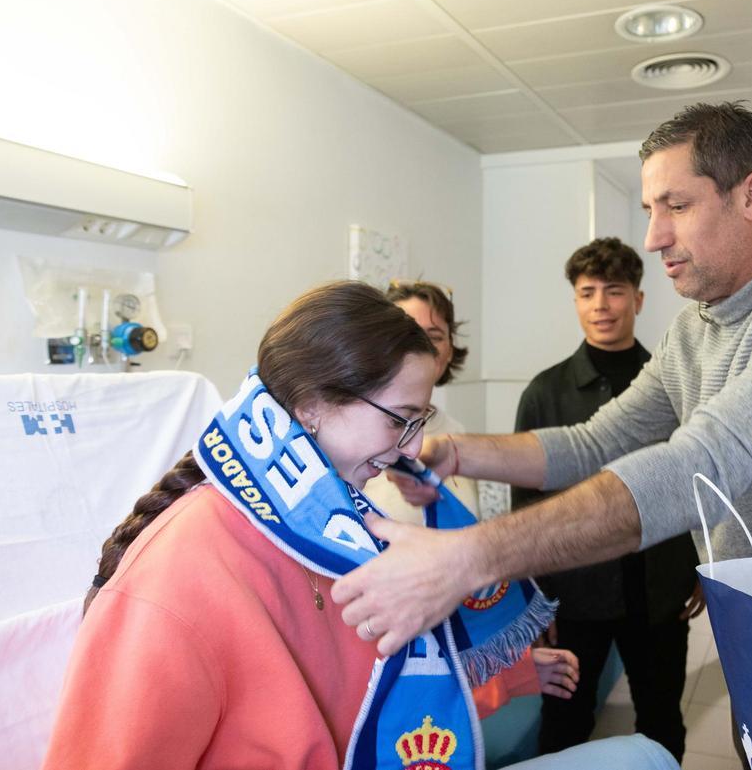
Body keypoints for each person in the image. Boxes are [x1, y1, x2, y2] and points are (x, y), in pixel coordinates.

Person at [332, 101, 752, 665]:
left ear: (750, 195)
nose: (654, 236)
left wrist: (471, 557)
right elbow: (593, 444)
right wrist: (457, 453)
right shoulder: (695, 329)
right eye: (650, 211)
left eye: (677, 206)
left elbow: (703, 465)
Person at [45, 281, 665, 770]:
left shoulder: (335, 527)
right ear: (312, 405)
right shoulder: (182, 571)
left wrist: (513, 675)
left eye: (418, 422)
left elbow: (375, 700)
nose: (406, 450)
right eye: (399, 419)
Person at [512, 237, 702, 761]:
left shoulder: (675, 384)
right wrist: (533, 599)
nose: (601, 305)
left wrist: (706, 564)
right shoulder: (544, 393)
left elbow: (702, 478)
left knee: (662, 716)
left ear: (638, 300)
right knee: (566, 720)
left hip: (660, 587)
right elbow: (526, 505)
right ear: (574, 301)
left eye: (614, 291)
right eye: (587, 292)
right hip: (573, 594)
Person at [364, 279, 479, 522]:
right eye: (410, 333)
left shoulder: (456, 432)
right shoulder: (357, 430)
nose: (423, 347)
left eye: (435, 336)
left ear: (449, 350)